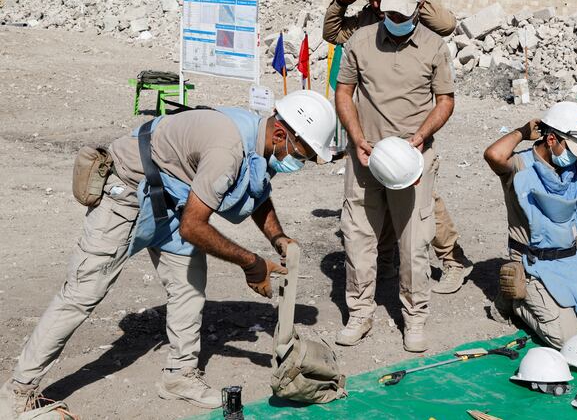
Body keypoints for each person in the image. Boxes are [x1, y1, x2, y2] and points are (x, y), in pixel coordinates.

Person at [0, 91, 336, 417]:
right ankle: (17, 391)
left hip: (173, 200)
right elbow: (194, 227)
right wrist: (251, 264)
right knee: (82, 294)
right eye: (303, 154)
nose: (301, 162)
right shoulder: (228, 149)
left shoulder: (261, 142)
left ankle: (179, 375)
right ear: (281, 132)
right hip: (128, 194)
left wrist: (278, 237)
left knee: (189, 286)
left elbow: (257, 192)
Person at [324, 0, 470, 294]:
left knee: (424, 202)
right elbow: (332, 34)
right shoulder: (365, 23)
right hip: (374, 137)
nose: (377, 4)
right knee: (380, 205)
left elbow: (446, 25)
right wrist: (340, 3)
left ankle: (452, 259)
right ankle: (387, 261)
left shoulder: (416, 23)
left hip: (410, 138)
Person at [334, 0, 455, 352]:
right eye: (388, 13)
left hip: (413, 160)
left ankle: (415, 317)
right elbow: (344, 91)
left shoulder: (435, 47)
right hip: (365, 157)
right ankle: (359, 312)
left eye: (402, 14)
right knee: (357, 238)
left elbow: (445, 100)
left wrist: (419, 139)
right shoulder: (360, 40)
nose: (393, 19)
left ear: (419, 9)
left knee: (414, 242)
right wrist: (356, 139)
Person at [483, 101, 577, 348]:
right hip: (533, 263)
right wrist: (522, 132)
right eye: (572, 148)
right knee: (568, 340)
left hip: (571, 262)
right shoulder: (520, 165)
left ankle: (558, 307)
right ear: (551, 140)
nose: (575, 156)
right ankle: (515, 301)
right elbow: (493, 155)